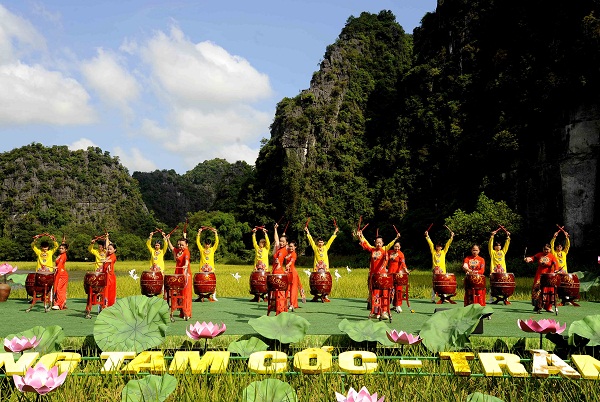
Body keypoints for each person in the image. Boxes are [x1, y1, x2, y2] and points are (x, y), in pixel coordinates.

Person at [357, 230, 399, 320]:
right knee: (375, 294)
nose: (378, 244)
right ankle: (376, 312)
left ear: (383, 243)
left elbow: (391, 244)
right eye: (377, 242)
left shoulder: (384, 250)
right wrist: (360, 236)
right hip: (374, 276)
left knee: (384, 294)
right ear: (375, 243)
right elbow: (365, 244)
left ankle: (384, 312)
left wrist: (396, 238)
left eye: (380, 242)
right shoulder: (372, 249)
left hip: (383, 276)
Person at [525, 244, 559, 313]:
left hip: (548, 276)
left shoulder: (552, 256)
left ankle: (548, 307)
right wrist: (528, 259)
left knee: (549, 290)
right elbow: (533, 258)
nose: (546, 251)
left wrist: (556, 270)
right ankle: (537, 306)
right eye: (545, 249)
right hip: (539, 275)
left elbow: (556, 264)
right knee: (537, 289)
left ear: (550, 249)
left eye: (547, 249)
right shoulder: (539, 254)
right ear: (543, 249)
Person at [425, 228, 454, 302]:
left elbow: (448, 245)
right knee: (435, 284)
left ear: (441, 247)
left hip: (442, 271)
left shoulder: (443, 252)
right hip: (435, 271)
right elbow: (430, 243)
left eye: (439, 246)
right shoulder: (433, 252)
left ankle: (444, 297)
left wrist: (451, 237)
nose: (438, 247)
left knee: (444, 284)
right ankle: (433, 298)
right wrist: (427, 236)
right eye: (437, 246)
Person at [167, 235, 192, 320]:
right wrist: (168, 239)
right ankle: (181, 311)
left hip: (185, 274)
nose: (180, 246)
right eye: (179, 244)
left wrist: (185, 265)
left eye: (182, 244)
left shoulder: (186, 252)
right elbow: (172, 248)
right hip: (177, 273)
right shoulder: (178, 251)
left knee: (185, 294)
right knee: (178, 293)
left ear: (186, 245)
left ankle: (187, 312)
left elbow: (186, 261)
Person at [268, 223, 288, 315]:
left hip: (279, 273)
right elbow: (276, 240)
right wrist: (275, 229)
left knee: (280, 293)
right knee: (274, 293)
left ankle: (280, 310)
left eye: (283, 241)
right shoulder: (278, 249)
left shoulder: (285, 250)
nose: (281, 242)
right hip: (274, 271)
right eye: (281, 241)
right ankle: (276, 308)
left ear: (286, 243)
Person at [196, 227, 219, 302]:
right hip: (202, 268)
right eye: (206, 244)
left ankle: (214, 295)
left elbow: (217, 242)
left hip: (210, 268)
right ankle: (200, 296)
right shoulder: (202, 250)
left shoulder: (212, 249)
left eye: (208, 244)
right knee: (201, 282)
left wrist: (215, 233)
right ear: (204, 244)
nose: (207, 245)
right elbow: (197, 242)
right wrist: (199, 233)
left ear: (210, 244)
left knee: (212, 282)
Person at [387, 241, 408, 313]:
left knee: (398, 289)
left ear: (400, 247)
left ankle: (398, 305)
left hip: (398, 274)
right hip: (390, 273)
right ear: (393, 246)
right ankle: (387, 305)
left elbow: (403, 263)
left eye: (398, 247)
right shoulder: (389, 252)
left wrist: (406, 270)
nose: (397, 248)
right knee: (389, 288)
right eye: (395, 246)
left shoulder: (401, 254)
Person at [250, 227, 270, 302]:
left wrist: (265, 233)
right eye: (260, 243)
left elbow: (268, 242)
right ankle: (256, 296)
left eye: (262, 243)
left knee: (264, 283)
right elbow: (254, 242)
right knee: (255, 282)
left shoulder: (266, 249)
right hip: (257, 269)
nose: (261, 244)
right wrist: (254, 233)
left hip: (264, 270)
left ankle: (265, 296)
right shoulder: (257, 248)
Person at [100, 235, 117, 308]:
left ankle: (108, 306)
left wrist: (105, 260)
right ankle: (104, 305)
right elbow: (107, 246)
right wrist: (107, 238)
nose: (108, 250)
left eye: (110, 249)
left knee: (109, 292)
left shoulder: (113, 256)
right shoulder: (107, 254)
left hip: (110, 277)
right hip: (105, 276)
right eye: (108, 249)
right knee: (104, 291)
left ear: (114, 250)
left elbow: (110, 260)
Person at [52, 241, 69, 310]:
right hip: (58, 273)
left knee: (60, 289)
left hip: (62, 275)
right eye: (60, 248)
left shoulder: (64, 256)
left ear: (65, 250)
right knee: (56, 288)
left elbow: (60, 263)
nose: (60, 249)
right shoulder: (60, 255)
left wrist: (57, 267)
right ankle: (58, 303)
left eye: (62, 248)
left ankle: (59, 304)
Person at [285, 240, 301, 311]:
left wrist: (288, 265)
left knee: (293, 289)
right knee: (287, 288)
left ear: (295, 247)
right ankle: (287, 303)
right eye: (289, 246)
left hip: (293, 273)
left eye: (292, 246)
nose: (290, 248)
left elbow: (291, 261)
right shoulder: (287, 252)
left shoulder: (294, 254)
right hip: (287, 272)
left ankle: (292, 304)